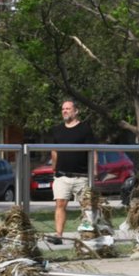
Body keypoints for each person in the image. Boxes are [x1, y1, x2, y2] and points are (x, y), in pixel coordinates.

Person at [48, 99, 97, 244]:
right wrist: (54, 169)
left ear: (76, 111)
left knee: (87, 207)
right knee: (60, 204)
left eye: (68, 108)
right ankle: (58, 235)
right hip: (62, 175)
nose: (65, 111)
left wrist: (94, 170)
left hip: (81, 176)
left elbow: (93, 151)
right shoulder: (57, 130)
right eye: (63, 109)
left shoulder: (85, 129)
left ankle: (88, 235)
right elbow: (54, 151)